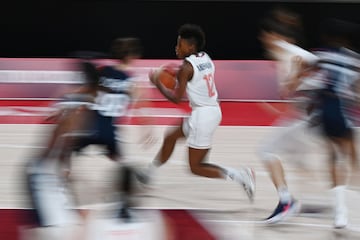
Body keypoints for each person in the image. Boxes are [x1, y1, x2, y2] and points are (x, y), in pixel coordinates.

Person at [26, 37, 147, 228]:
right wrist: (147, 129)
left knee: (67, 152)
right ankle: (128, 192)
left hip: (90, 127)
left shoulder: (103, 71)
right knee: (121, 161)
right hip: (110, 131)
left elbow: (84, 89)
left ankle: (64, 184)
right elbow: (141, 106)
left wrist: (59, 105)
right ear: (134, 56)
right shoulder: (132, 81)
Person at [141, 23, 255, 202]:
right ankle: (149, 173)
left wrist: (158, 83)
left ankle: (240, 176)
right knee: (171, 136)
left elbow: (176, 99)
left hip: (203, 117)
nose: (176, 47)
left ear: (191, 47)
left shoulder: (186, 68)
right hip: (208, 111)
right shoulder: (206, 57)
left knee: (195, 167)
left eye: (180, 44)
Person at [257, 8, 321, 223]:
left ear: (274, 36)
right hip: (305, 117)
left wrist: (295, 76)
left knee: (266, 151)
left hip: (306, 117)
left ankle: (287, 202)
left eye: (266, 35)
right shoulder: (282, 55)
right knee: (298, 159)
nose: (263, 39)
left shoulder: (285, 49)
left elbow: (310, 61)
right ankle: (315, 201)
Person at [310, 18, 360, 228]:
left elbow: (315, 81)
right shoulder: (355, 60)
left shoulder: (321, 55)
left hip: (325, 109)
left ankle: (340, 206)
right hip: (342, 109)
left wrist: (313, 105)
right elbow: (357, 92)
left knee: (333, 157)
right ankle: (343, 207)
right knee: (349, 155)